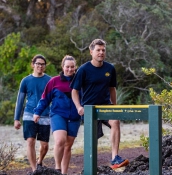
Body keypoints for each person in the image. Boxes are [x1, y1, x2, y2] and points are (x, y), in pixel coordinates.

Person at [70, 38, 129, 169]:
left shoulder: (110, 68)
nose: (101, 52)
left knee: (115, 121)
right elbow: (74, 91)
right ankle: (90, 167)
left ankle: (115, 158)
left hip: (105, 106)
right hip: (89, 109)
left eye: (103, 50)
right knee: (93, 139)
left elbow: (112, 89)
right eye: (98, 50)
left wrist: (114, 106)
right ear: (91, 52)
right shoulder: (83, 69)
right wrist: (79, 107)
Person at [33, 55, 81, 175]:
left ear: (75, 68)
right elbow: (45, 98)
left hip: (75, 117)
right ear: (63, 67)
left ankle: (64, 173)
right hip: (58, 114)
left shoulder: (80, 81)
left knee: (68, 146)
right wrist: (37, 112)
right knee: (60, 141)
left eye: (72, 67)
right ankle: (58, 169)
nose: (69, 69)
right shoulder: (54, 81)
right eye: (67, 67)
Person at [14, 54, 51, 173]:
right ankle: (35, 169)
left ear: (45, 66)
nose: (40, 66)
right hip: (29, 113)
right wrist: (16, 118)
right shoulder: (26, 80)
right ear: (33, 65)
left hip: (45, 114)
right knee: (30, 141)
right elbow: (20, 100)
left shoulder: (50, 80)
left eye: (42, 64)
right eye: (38, 63)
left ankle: (40, 161)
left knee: (44, 145)